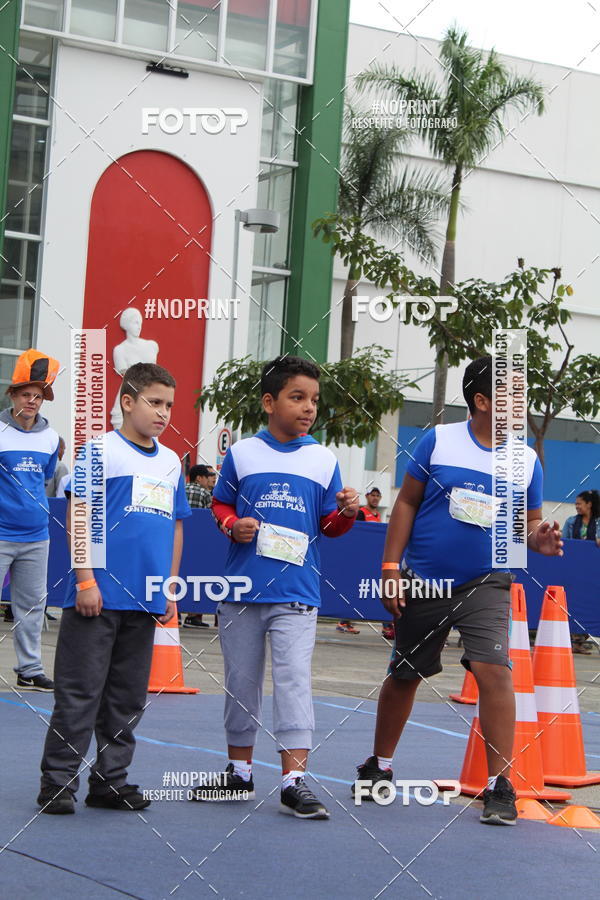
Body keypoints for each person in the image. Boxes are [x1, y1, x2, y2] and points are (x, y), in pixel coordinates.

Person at [352, 356, 563, 826]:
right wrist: (391, 567)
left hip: (488, 579)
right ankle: (379, 765)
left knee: (494, 671)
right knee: (405, 674)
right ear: (482, 401)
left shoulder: (525, 458)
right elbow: (406, 502)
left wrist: (539, 540)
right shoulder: (439, 440)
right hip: (426, 578)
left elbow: (527, 526)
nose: (520, 404)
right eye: (509, 395)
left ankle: (499, 784)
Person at [193, 355, 359, 819]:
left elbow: (329, 525)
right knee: (241, 684)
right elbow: (221, 505)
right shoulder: (242, 453)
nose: (309, 408)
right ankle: (238, 773)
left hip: (297, 593)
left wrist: (346, 512)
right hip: (242, 592)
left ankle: (294, 781)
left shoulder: (324, 459)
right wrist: (232, 527)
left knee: (292, 683)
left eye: (314, 400)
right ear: (270, 402)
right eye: (297, 397)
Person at [38, 362, 192, 815]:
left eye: (169, 405)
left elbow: (176, 529)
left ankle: (109, 781)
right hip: (98, 596)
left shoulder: (169, 461)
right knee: (80, 692)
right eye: (154, 402)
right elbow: (79, 515)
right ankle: (57, 784)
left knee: (126, 699)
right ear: (127, 401)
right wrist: (85, 580)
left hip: (145, 599)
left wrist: (168, 588)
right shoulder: (98, 450)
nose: (163, 413)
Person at [0, 349, 60, 691]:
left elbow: (45, 478)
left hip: (37, 535)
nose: (33, 400)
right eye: (27, 394)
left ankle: (29, 669)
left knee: (33, 605)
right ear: (12, 394)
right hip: (1, 532)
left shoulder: (52, 439)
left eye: (38, 396)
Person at [338, 487, 384, 635]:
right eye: (372, 495)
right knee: (353, 588)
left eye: (377, 495)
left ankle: (387, 624)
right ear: (367, 496)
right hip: (360, 558)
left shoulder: (378, 516)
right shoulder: (361, 513)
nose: (375, 498)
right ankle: (344, 621)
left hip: (373, 558)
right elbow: (356, 534)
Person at [562, 490, 599, 653]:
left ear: (589, 504)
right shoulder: (571, 522)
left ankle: (580, 640)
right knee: (574, 600)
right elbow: (565, 541)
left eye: (579, 503)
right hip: (574, 568)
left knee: (590, 602)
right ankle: (574, 641)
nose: (576, 506)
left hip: (593, 569)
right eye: (575, 504)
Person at [184, 464, 215, 627]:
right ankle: (194, 616)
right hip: (199, 542)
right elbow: (212, 515)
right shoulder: (204, 493)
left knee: (181, 574)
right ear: (199, 478)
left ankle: (178, 614)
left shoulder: (179, 490)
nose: (209, 480)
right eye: (207, 477)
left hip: (180, 539)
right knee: (198, 575)